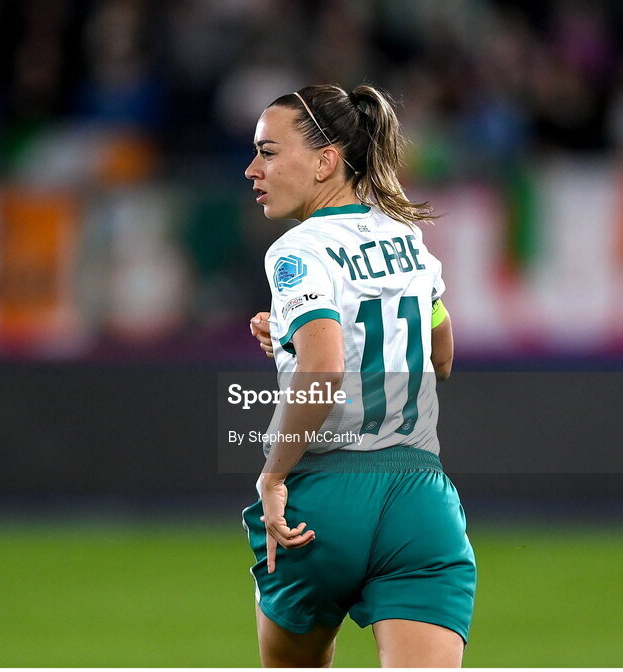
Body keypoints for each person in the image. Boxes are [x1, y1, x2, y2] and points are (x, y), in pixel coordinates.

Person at [240, 83, 476, 668]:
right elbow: (440, 356)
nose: (252, 169)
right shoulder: (408, 239)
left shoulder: (297, 250)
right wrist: (293, 331)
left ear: (325, 161)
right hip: (420, 503)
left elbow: (324, 368)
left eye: (269, 151)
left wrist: (273, 477)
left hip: (325, 498)